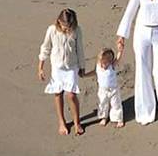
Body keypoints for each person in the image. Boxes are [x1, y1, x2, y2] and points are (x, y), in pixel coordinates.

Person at [38, 8, 87, 136]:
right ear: (59, 21)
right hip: (57, 67)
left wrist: (82, 67)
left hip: (72, 66)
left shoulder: (77, 30)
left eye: (69, 26)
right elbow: (45, 48)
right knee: (58, 93)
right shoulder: (52, 30)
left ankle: (77, 122)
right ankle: (62, 121)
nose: (66, 29)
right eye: (65, 26)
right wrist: (41, 67)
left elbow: (80, 49)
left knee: (71, 95)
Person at [94, 48, 124, 128]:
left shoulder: (112, 66)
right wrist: (85, 75)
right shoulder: (98, 67)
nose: (106, 64)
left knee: (116, 104)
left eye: (108, 61)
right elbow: (94, 72)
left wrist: (120, 50)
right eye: (104, 61)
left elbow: (118, 58)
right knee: (103, 104)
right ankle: (104, 117)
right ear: (100, 60)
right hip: (102, 90)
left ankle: (118, 119)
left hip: (113, 90)